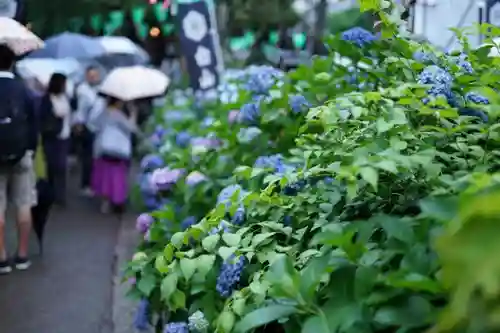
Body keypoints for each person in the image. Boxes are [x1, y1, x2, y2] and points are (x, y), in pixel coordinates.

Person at [0, 45, 38, 274]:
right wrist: (30, 148)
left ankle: (2, 258)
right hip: (21, 154)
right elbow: (34, 120)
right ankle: (22, 255)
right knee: (24, 204)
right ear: (12, 62)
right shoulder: (22, 88)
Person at [90, 96, 138, 215]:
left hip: (103, 148)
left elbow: (93, 124)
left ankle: (105, 202)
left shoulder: (103, 112)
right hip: (118, 150)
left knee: (105, 175)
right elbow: (131, 128)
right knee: (117, 176)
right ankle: (117, 200)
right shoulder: (117, 114)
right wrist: (133, 113)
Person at [40, 73, 72, 207]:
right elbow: (44, 117)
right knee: (52, 167)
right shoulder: (47, 99)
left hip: (64, 136)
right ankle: (51, 194)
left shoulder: (66, 98)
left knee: (61, 167)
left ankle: (60, 196)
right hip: (52, 137)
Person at [73, 66, 101, 197]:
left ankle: (95, 183)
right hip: (87, 127)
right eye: (91, 75)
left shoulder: (99, 89)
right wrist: (79, 125)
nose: (93, 78)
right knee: (88, 157)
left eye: (95, 75)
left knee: (96, 157)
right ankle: (86, 184)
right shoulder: (82, 91)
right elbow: (80, 111)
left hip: (98, 127)